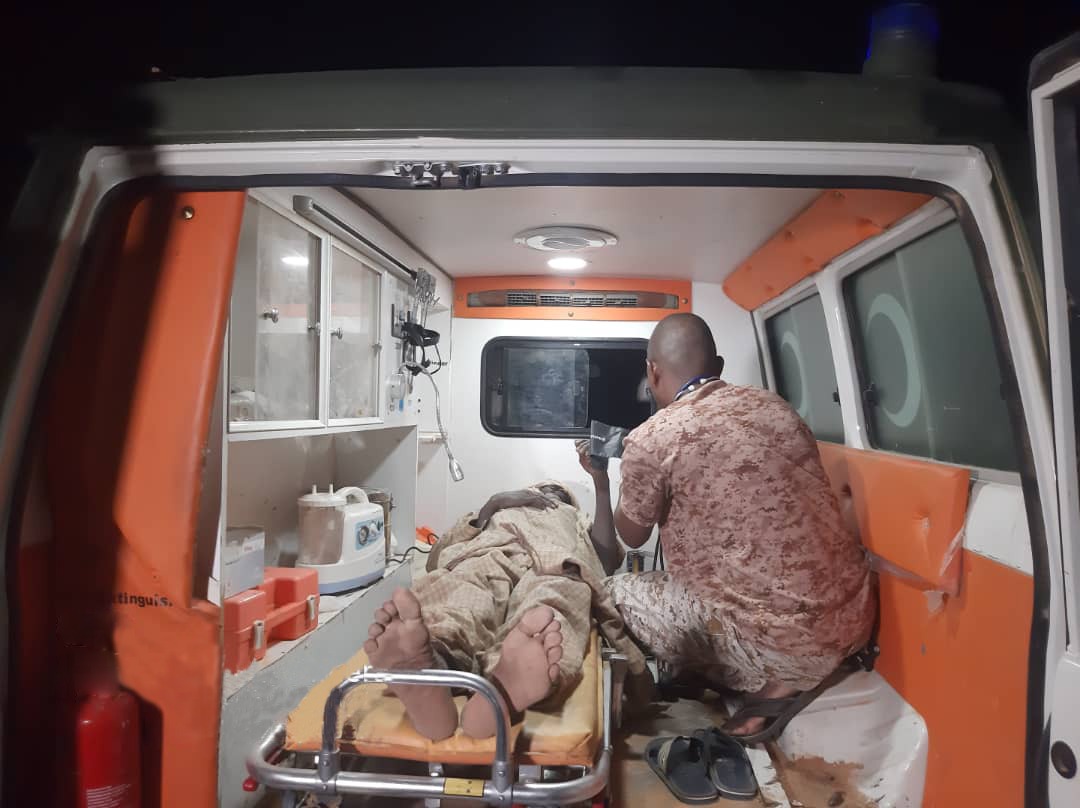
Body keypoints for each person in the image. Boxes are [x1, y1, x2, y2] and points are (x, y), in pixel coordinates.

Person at [580, 313, 876, 742]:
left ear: (652, 372)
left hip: (786, 643)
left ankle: (773, 682)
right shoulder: (776, 408)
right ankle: (716, 668)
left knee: (612, 595)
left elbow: (632, 536)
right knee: (704, 584)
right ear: (717, 367)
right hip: (852, 614)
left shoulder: (651, 439)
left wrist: (607, 478)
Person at [363, 481, 647, 741]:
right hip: (492, 551)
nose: (549, 493)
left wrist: (600, 485)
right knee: (463, 591)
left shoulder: (575, 518)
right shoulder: (499, 509)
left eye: (558, 492)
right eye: (544, 489)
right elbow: (436, 557)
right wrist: (495, 503)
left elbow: (606, 561)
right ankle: (434, 663)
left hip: (554, 559)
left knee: (551, 605)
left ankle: (506, 687)